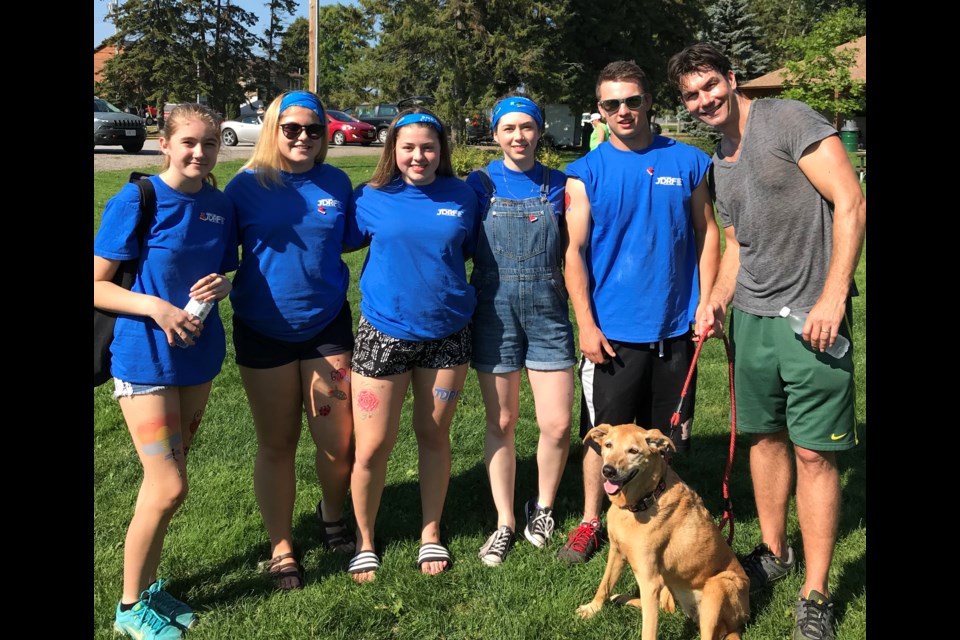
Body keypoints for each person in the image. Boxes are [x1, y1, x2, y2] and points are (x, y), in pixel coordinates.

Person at [667, 43, 866, 640]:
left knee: (813, 452)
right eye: (691, 95)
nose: (704, 101)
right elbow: (737, 243)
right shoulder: (719, 160)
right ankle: (775, 552)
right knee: (765, 438)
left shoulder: (786, 118)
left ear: (732, 80)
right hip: (751, 321)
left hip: (812, 317)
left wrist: (834, 296)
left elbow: (851, 201)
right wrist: (717, 299)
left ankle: (816, 590)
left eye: (709, 86)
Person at [557, 60, 720, 564]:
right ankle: (590, 522)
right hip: (613, 335)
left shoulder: (691, 162)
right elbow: (574, 253)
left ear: (649, 101)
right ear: (600, 111)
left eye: (632, 100)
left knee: (664, 439)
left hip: (677, 328)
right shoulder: (585, 173)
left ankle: (660, 518)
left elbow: (707, 232)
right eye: (611, 104)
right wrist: (585, 323)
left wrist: (707, 300)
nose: (623, 111)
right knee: (603, 439)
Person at [94, 103, 237, 640]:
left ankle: (149, 588)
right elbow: (97, 284)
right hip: (144, 356)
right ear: (165, 144)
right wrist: (155, 306)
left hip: (197, 357)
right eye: (189, 143)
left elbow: (222, 269)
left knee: (164, 484)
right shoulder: (138, 198)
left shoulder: (220, 205)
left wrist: (222, 285)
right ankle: (129, 607)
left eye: (209, 144)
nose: (199, 153)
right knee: (170, 485)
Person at [225, 90, 360, 591]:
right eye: (291, 128)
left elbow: (354, 235)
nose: (303, 137)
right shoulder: (244, 186)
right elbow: (212, 249)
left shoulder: (337, 182)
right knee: (277, 443)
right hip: (263, 331)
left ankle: (332, 514)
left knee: (337, 443)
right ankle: (281, 543)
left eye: (313, 129)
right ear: (272, 128)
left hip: (326, 327)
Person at [347, 107, 480, 583]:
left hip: (447, 335)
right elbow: (330, 241)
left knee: (433, 436)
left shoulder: (463, 195)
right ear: (393, 150)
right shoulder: (371, 197)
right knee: (372, 446)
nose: (418, 156)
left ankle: (430, 532)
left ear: (441, 150)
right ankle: (364, 539)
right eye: (408, 147)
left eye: (428, 147)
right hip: (384, 333)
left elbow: (464, 251)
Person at [465, 95, 575, 567]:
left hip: (549, 311)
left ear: (539, 130)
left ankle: (544, 507)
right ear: (495, 134)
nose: (518, 136)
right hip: (494, 311)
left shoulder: (562, 184)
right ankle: (504, 521)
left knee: (557, 423)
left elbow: (576, 251)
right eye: (508, 128)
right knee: (502, 422)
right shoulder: (478, 184)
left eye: (526, 127)